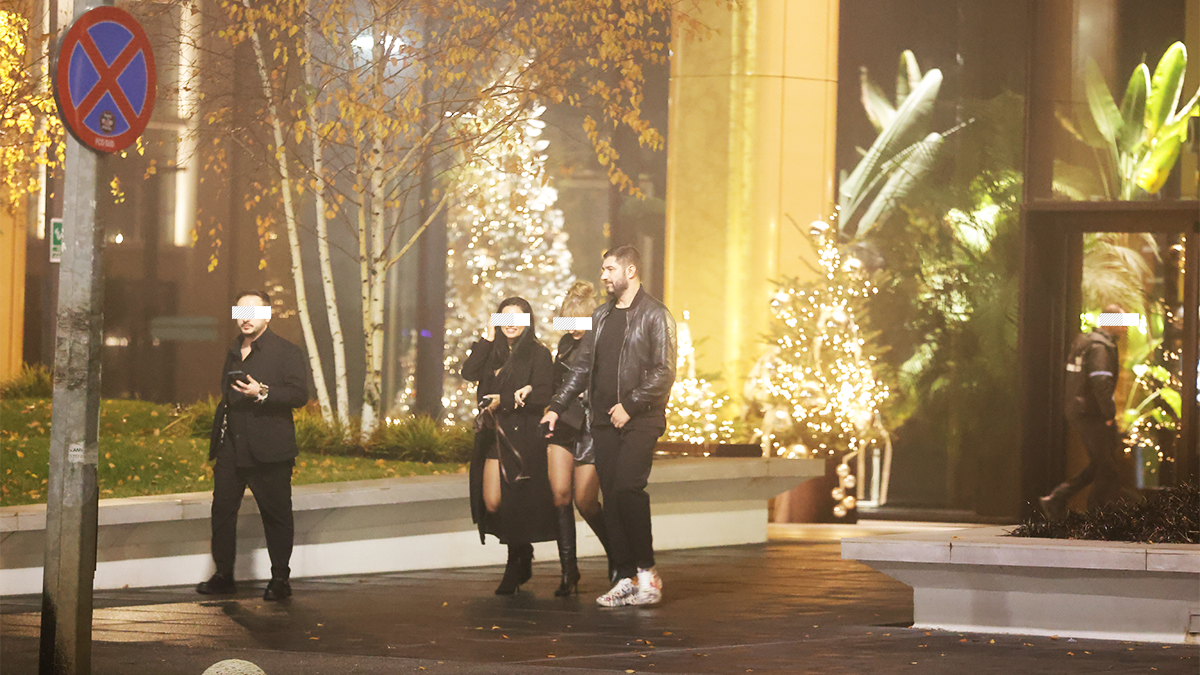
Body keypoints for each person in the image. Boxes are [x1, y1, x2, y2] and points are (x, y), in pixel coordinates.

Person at [541, 246, 677, 607]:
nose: (603, 276)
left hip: (641, 419)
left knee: (629, 488)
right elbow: (581, 368)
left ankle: (647, 572)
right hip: (603, 422)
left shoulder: (655, 315)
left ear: (630, 271)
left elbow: (664, 372)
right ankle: (626, 576)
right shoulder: (600, 317)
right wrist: (556, 407)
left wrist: (630, 406)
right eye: (602, 269)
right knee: (612, 497)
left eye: (610, 269)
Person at [198, 290, 309, 601]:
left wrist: (263, 393)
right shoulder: (233, 350)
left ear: (268, 315)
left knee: (276, 515)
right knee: (222, 511)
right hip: (232, 447)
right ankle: (223, 575)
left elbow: (299, 395)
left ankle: (280, 579)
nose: (245, 318)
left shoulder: (286, 351)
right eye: (239, 312)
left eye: (253, 312)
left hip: (270, 450)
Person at [463, 297, 558, 595]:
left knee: (514, 502)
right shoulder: (493, 351)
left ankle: (515, 561)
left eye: (518, 317)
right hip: (493, 435)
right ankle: (522, 551)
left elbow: (544, 394)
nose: (511, 324)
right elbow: (468, 372)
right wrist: (486, 338)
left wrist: (505, 400)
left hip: (521, 438)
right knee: (492, 501)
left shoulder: (538, 353)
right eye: (505, 318)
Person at [547, 281, 613, 596]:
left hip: (591, 426)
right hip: (564, 422)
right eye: (567, 319)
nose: (572, 327)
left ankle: (618, 557)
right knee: (560, 495)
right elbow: (556, 383)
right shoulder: (564, 344)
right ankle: (568, 572)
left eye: (578, 320)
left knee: (585, 502)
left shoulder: (603, 343)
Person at [1040, 304, 1128, 519]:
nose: (1125, 327)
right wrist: (1109, 415)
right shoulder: (1100, 348)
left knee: (1101, 463)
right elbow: (1101, 381)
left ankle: (1057, 499)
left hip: (1080, 411)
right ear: (1110, 322)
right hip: (1092, 414)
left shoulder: (1085, 343)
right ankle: (1094, 515)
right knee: (1107, 467)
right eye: (1121, 322)